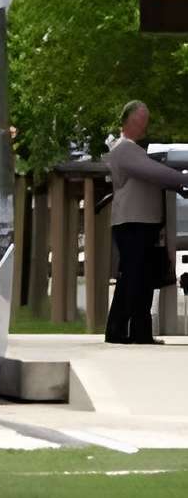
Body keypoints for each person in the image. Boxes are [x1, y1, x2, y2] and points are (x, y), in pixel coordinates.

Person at [105, 100, 188, 344]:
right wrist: (182, 179)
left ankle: (140, 331)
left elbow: (157, 176)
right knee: (132, 276)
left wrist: (179, 185)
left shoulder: (137, 151)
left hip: (145, 222)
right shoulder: (124, 149)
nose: (144, 125)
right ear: (129, 120)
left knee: (143, 277)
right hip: (132, 222)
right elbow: (155, 173)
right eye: (141, 120)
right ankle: (117, 330)